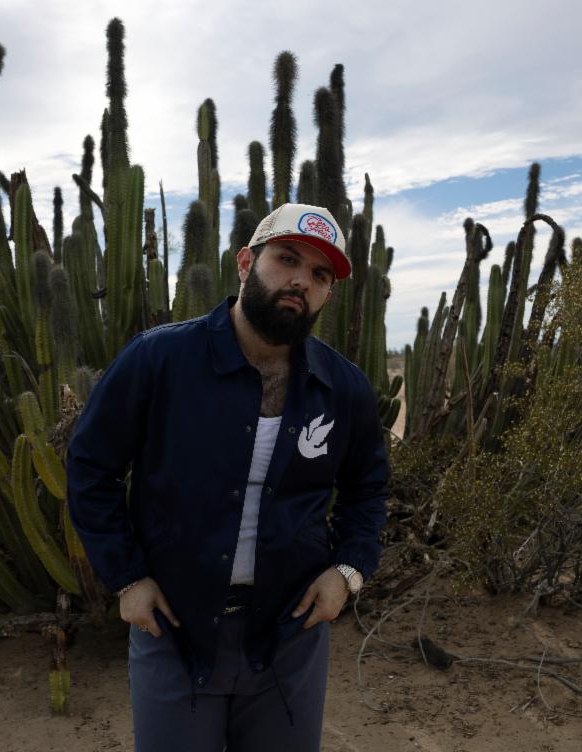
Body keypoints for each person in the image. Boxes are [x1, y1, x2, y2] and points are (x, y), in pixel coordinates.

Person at [66, 203, 389, 751]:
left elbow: (368, 488)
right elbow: (91, 466)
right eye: (287, 259)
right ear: (245, 263)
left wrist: (348, 571)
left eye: (319, 275)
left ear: (326, 295)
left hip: (290, 633)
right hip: (174, 626)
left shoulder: (343, 388)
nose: (300, 281)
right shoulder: (160, 359)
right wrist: (126, 577)